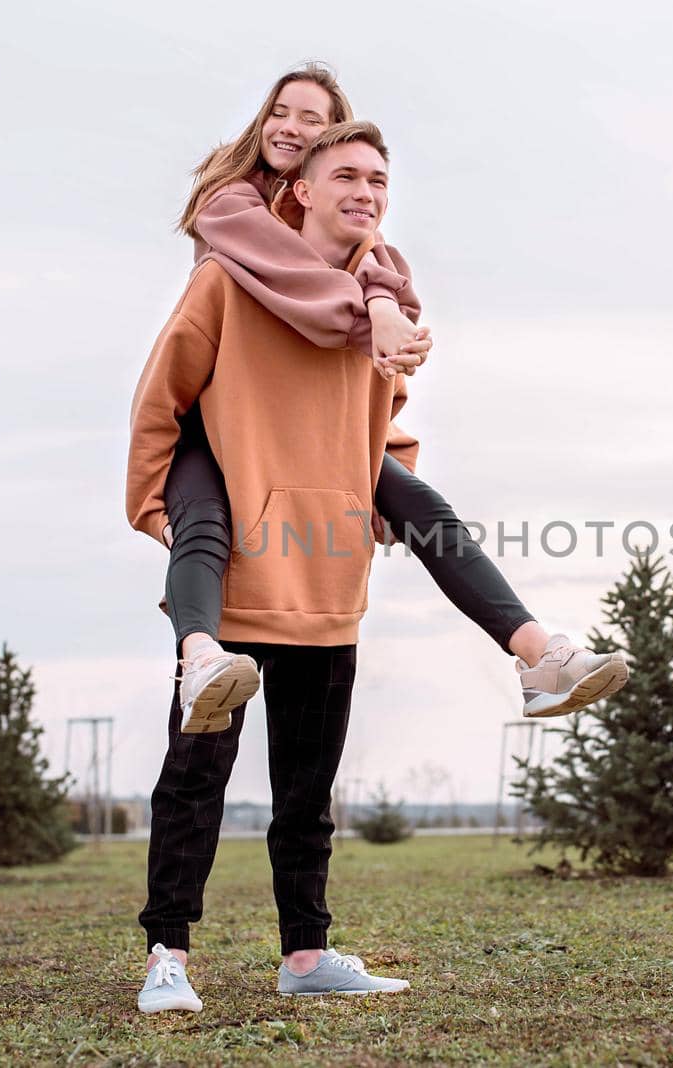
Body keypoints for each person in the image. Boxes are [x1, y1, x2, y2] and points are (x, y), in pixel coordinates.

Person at [157, 62, 629, 738]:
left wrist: (381, 312)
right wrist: (374, 305)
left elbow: (382, 365)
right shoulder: (234, 207)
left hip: (315, 435)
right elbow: (301, 283)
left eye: (312, 118)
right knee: (203, 527)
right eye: (280, 112)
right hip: (228, 424)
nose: (291, 126)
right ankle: (199, 655)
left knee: (424, 506)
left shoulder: (350, 231)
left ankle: (537, 655)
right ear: (296, 174)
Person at [128, 122, 428, 1010]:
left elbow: (389, 417)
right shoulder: (224, 284)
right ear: (296, 186)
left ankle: (306, 957)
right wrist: (164, 510)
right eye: (348, 173)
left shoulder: (375, 308)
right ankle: (166, 959)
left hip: (327, 575)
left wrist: (388, 488)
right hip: (237, 592)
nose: (367, 189)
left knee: (308, 789)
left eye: (380, 177)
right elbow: (162, 400)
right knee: (194, 784)